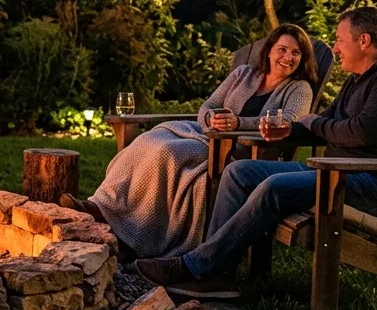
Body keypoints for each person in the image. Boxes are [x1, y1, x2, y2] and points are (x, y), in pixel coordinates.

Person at [134, 6, 377, 298]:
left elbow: (361, 132)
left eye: (340, 40)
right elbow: (324, 125)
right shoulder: (358, 79)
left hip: (374, 186)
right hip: (334, 172)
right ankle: (219, 273)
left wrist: (313, 121)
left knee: (274, 187)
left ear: (363, 40)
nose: (336, 48)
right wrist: (289, 131)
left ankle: (196, 266)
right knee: (239, 172)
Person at [63, 24, 317, 258]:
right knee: (146, 141)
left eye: (296, 53)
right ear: (269, 50)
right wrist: (212, 120)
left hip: (239, 151)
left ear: (302, 58)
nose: (288, 57)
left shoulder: (299, 88)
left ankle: (135, 237)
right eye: (282, 49)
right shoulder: (244, 74)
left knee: (167, 152)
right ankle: (101, 206)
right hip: (205, 134)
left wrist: (237, 123)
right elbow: (210, 105)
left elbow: (287, 122)